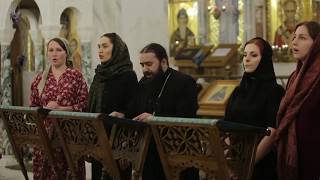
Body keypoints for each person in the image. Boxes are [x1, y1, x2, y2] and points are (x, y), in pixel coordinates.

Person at [129, 43, 198, 180]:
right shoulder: (143, 82)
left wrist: (155, 118)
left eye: (149, 64)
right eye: (142, 65)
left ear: (164, 62)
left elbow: (186, 118)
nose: (145, 69)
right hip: (150, 152)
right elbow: (136, 110)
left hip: (178, 152)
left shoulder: (184, 82)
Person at [224, 37, 284, 180]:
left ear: (264, 59)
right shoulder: (238, 91)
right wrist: (228, 162)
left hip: (261, 162)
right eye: (245, 55)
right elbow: (226, 128)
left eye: (254, 55)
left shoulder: (274, 91)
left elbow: (272, 132)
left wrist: (247, 165)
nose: (247, 59)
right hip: (235, 160)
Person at [30, 37, 88, 180]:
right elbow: (33, 107)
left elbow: (85, 105)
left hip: (69, 136)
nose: (54, 54)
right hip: (45, 138)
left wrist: (61, 109)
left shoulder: (76, 76)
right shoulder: (39, 79)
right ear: (47, 54)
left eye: (58, 50)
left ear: (66, 53)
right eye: (51, 50)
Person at [88, 33, 138, 180]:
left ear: (116, 49)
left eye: (105, 46)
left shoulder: (128, 75)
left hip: (118, 138)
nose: (100, 51)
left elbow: (134, 106)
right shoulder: (99, 74)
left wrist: (123, 113)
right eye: (98, 47)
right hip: (99, 136)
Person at [276, 21, 320, 180]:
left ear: (316, 43)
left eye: (302, 37)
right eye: (294, 37)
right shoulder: (294, 78)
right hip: (295, 160)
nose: (294, 42)